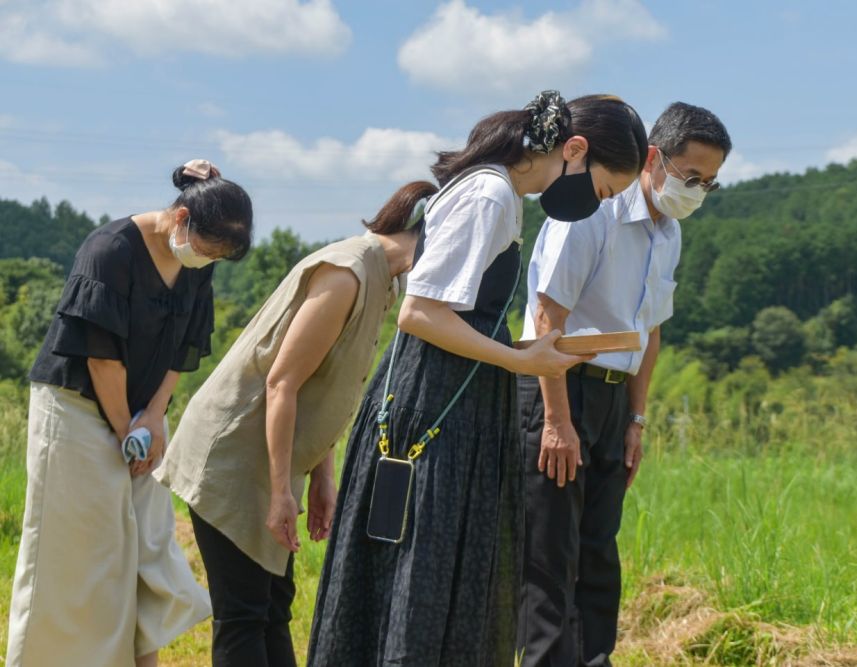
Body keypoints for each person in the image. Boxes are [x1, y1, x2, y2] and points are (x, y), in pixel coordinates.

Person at [307, 91, 648, 667]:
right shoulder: (489, 193)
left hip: (457, 400)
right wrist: (522, 361)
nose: (597, 204)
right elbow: (421, 313)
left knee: (447, 579)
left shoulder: (501, 193)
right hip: (434, 406)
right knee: (423, 578)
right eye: (604, 189)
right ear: (575, 149)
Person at [155, 180, 439, 667]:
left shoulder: (385, 279)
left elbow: (320, 386)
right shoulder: (348, 272)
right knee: (244, 613)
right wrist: (281, 490)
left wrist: (319, 477)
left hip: (271, 454)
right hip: (234, 453)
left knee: (272, 606)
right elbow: (282, 384)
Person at [5, 160, 254, 667]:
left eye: (218, 258)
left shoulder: (193, 268)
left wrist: (155, 418)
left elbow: (185, 345)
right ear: (181, 218)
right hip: (76, 410)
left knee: (147, 545)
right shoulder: (110, 250)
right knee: (78, 552)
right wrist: (127, 431)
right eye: (207, 250)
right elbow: (101, 356)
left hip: (140, 414)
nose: (206, 262)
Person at [517, 102, 731, 666]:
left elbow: (649, 332)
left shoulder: (670, 235)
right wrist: (558, 422)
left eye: (710, 183)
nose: (698, 191)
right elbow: (548, 317)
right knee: (549, 557)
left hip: (614, 397)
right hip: (559, 390)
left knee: (598, 554)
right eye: (691, 177)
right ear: (654, 159)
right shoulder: (595, 209)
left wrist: (637, 421)